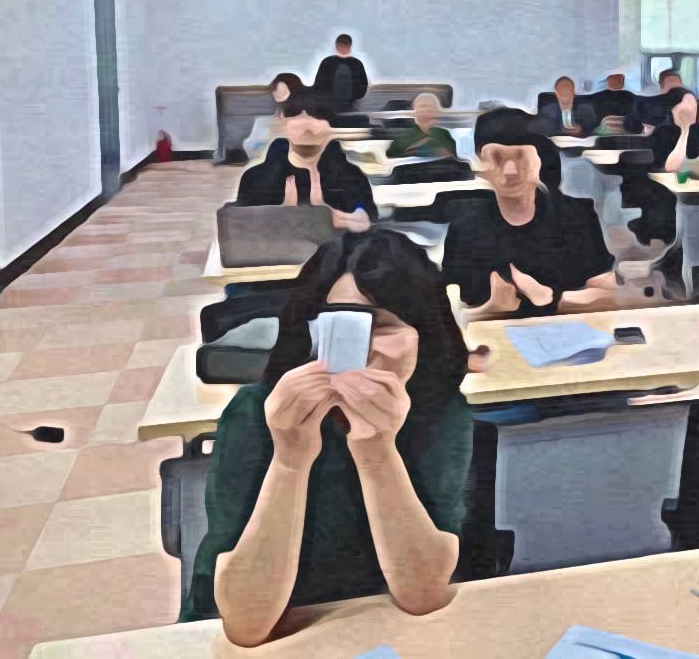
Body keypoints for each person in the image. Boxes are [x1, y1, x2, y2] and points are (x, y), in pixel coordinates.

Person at [183, 230, 488, 641]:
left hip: (380, 623)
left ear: (423, 334)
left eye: (381, 325)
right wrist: (290, 459)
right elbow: (245, 625)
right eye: (339, 326)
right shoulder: (259, 414)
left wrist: (376, 451)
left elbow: (422, 595)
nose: (359, 349)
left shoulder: (440, 412)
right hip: (279, 631)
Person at [409, 108, 617, 320]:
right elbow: (451, 308)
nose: (510, 171)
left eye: (520, 157)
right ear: (482, 164)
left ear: (538, 161)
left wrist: (551, 298)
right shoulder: (466, 225)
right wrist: (491, 308)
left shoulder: (576, 216)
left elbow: (607, 294)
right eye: (497, 158)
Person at [236, 90, 376, 230]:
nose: (307, 132)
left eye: (317, 117)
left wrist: (353, 219)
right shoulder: (255, 179)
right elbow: (238, 228)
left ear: (330, 126)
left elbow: (367, 216)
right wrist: (276, 219)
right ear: (283, 121)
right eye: (296, 119)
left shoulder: (352, 177)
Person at [625, 86, 699, 247]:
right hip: (665, 183)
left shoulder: (698, 132)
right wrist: (684, 131)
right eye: (686, 104)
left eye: (693, 104)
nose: (691, 109)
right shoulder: (663, 133)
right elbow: (669, 168)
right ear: (674, 109)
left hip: (692, 180)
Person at [244, 73, 306, 161]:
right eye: (275, 90)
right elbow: (250, 146)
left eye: (283, 91)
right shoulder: (266, 120)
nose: (276, 93)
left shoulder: (303, 119)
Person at [384, 93, 458, 159]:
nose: (425, 110)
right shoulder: (403, 135)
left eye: (430, 106)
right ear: (415, 111)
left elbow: (454, 159)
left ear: (436, 111)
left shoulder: (444, 134)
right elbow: (390, 157)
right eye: (422, 106)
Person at [313, 33, 369, 113]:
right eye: (341, 45)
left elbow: (364, 85)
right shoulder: (356, 63)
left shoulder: (327, 62)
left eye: (344, 45)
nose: (342, 48)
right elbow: (318, 85)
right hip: (335, 107)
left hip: (342, 106)